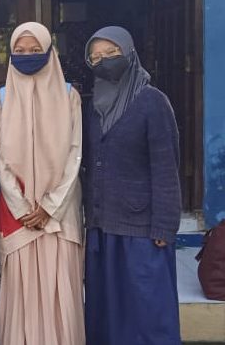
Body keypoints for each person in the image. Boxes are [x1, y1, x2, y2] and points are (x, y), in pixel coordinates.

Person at [83, 26, 181, 345]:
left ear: (129, 54)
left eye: (111, 54)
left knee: (147, 314)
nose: (103, 61)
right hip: (102, 227)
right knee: (109, 313)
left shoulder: (153, 102)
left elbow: (166, 167)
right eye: (95, 57)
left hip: (142, 231)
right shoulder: (94, 106)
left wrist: (164, 228)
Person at [0, 22, 84, 345]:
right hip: (19, 218)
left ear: (49, 52)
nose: (27, 56)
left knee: (61, 295)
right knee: (22, 294)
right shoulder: (1, 99)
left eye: (35, 51)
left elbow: (75, 153)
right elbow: (0, 160)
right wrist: (21, 207)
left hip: (60, 217)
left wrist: (49, 207)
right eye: (20, 51)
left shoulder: (69, 95)